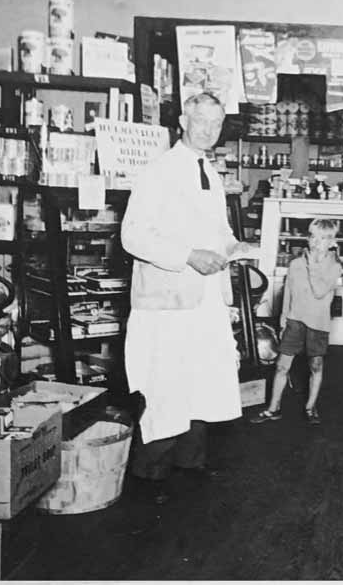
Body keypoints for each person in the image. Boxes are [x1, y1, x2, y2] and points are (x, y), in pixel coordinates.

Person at [121, 92, 248, 501]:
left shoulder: (208, 172)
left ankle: (190, 466)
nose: (209, 131)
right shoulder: (160, 170)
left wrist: (234, 247)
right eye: (201, 122)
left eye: (216, 123)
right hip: (169, 297)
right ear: (182, 121)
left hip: (205, 296)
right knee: (165, 384)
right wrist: (189, 256)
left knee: (202, 380)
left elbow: (217, 230)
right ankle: (149, 476)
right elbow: (133, 235)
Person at [251, 219, 342, 425]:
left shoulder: (334, 267)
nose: (316, 242)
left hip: (318, 323)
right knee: (282, 366)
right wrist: (284, 319)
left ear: (331, 242)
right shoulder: (295, 263)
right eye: (313, 236)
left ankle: (310, 407)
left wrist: (312, 265)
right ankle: (273, 408)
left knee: (316, 366)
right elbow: (288, 292)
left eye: (322, 238)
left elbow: (319, 291)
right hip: (295, 320)